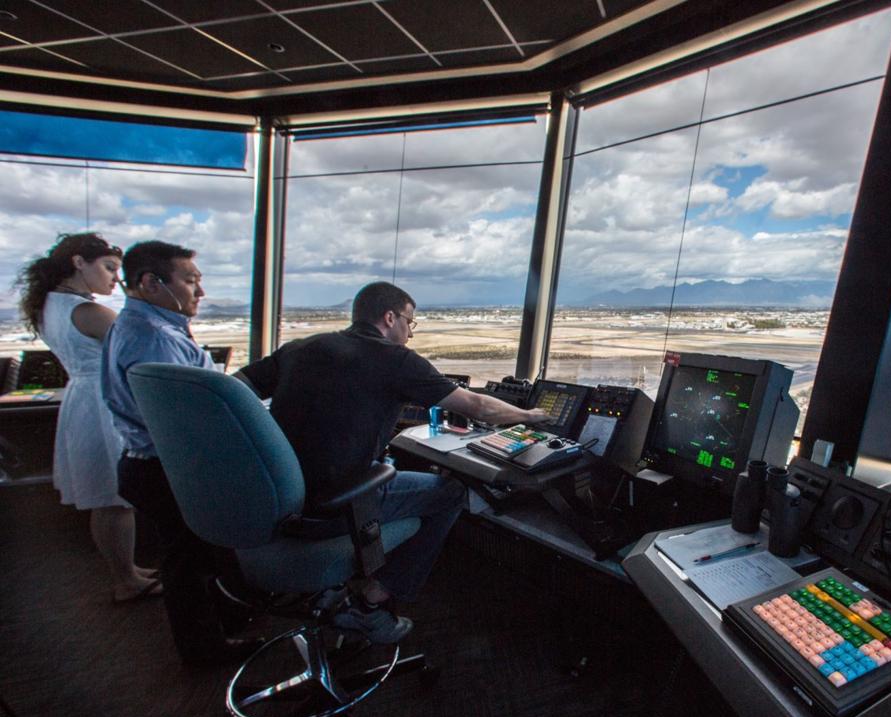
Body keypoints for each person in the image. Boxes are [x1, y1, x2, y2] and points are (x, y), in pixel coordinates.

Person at [235, 281, 549, 643]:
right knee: (450, 491)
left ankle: (346, 591)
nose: (410, 334)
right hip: (333, 506)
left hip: (277, 494)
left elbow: (234, 390)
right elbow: (478, 407)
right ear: (390, 317)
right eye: (410, 323)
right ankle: (372, 601)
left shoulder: (300, 348)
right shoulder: (396, 359)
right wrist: (531, 414)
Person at [101, 240, 258, 666]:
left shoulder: (141, 327)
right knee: (187, 561)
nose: (200, 293)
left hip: (147, 463)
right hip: (167, 467)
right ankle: (205, 649)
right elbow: (187, 419)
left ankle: (223, 626)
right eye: (190, 281)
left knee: (191, 554)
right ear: (151, 283)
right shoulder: (153, 338)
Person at [15, 233, 160, 603]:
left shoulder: (52, 304)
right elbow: (143, 343)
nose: (115, 278)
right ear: (79, 263)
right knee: (116, 499)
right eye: (109, 268)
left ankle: (124, 570)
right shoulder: (89, 311)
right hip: (104, 403)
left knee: (104, 498)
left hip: (83, 400)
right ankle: (127, 580)